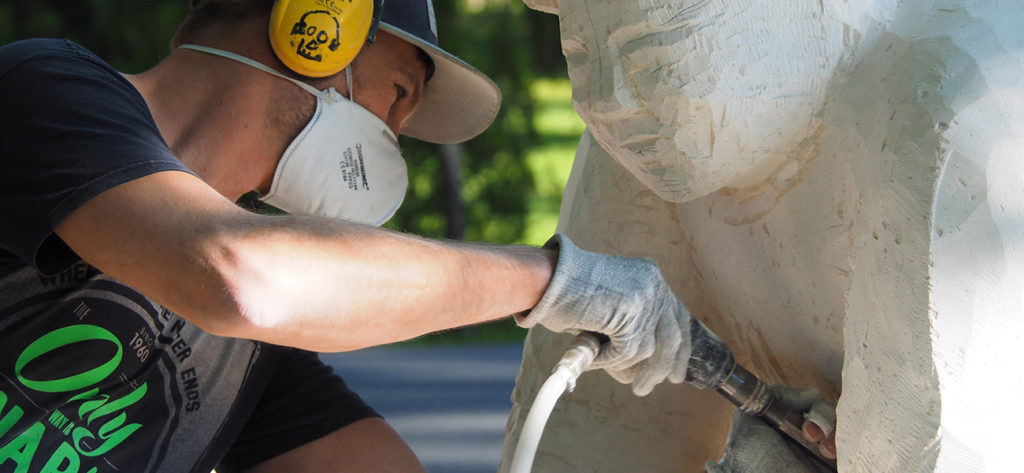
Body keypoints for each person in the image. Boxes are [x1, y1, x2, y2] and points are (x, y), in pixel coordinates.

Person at [0, 0, 830, 471]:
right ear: (312, 28)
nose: (393, 135)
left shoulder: (244, 364)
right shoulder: (48, 89)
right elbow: (233, 276)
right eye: (398, 91)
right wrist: (556, 281)